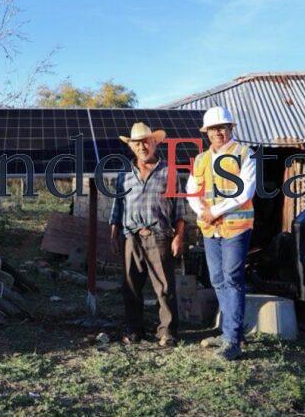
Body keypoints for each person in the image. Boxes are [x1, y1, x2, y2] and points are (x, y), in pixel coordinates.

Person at [187, 106, 256, 361]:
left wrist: (214, 210)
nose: (218, 132)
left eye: (222, 127)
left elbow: (245, 191)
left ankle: (233, 339)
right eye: (213, 129)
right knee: (217, 278)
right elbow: (192, 190)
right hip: (210, 228)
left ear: (230, 129)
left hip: (236, 227)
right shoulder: (201, 159)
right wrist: (203, 212)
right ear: (207, 133)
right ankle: (231, 332)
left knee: (233, 277)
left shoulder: (245, 154)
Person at [109, 122, 185, 347]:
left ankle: (167, 331)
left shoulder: (169, 172)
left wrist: (179, 236)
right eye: (137, 143)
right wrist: (113, 234)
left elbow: (179, 208)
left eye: (146, 141)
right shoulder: (124, 176)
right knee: (131, 286)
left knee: (164, 287)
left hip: (159, 235)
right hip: (130, 236)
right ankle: (134, 330)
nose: (142, 146)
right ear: (131, 146)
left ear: (154, 143)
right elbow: (117, 207)